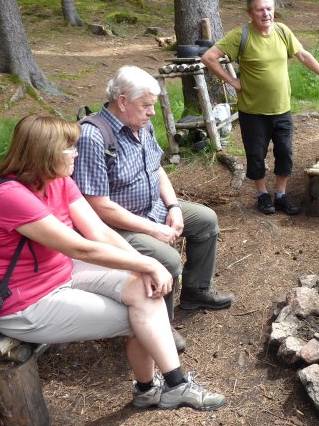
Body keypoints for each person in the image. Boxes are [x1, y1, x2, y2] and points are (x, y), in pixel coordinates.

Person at [0, 115, 227, 411]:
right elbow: (81, 248)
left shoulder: (59, 182)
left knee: (144, 292)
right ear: (45, 153)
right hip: (26, 302)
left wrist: (140, 264)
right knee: (143, 318)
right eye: (69, 149)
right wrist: (148, 265)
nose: (76, 153)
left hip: (63, 274)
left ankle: (155, 388)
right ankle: (164, 386)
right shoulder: (12, 197)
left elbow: (98, 232)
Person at [72, 67, 234, 354]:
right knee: (167, 259)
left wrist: (173, 207)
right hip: (115, 227)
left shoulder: (140, 125)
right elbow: (97, 205)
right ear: (122, 101)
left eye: (153, 106)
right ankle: (160, 323)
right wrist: (152, 228)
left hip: (152, 209)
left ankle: (196, 291)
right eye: (147, 105)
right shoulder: (92, 137)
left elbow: (156, 168)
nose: (153, 113)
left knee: (206, 220)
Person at [202, 0, 319, 215]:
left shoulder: (282, 31)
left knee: (284, 152)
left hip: (281, 108)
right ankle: (262, 195)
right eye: (260, 10)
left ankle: (281, 195)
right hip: (252, 111)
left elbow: (302, 54)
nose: (266, 14)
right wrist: (232, 82)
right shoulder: (241, 35)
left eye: (269, 8)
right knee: (256, 154)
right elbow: (208, 57)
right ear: (250, 12)